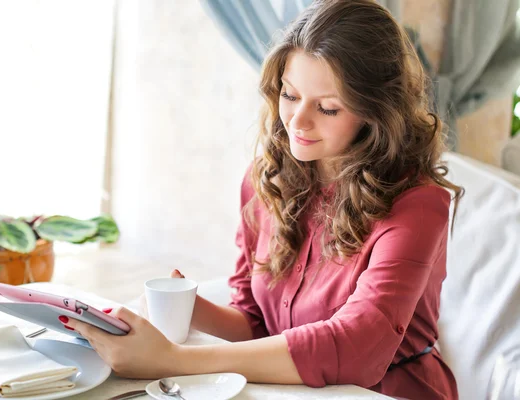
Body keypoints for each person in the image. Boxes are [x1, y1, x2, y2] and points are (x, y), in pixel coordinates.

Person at [61, 0, 464, 398]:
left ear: (375, 112)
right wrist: (188, 306)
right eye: (290, 95)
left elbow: (358, 347)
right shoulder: (265, 181)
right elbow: (257, 323)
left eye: (327, 108)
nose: (298, 121)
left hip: (386, 391)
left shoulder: (417, 205)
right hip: (287, 387)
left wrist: (170, 360)